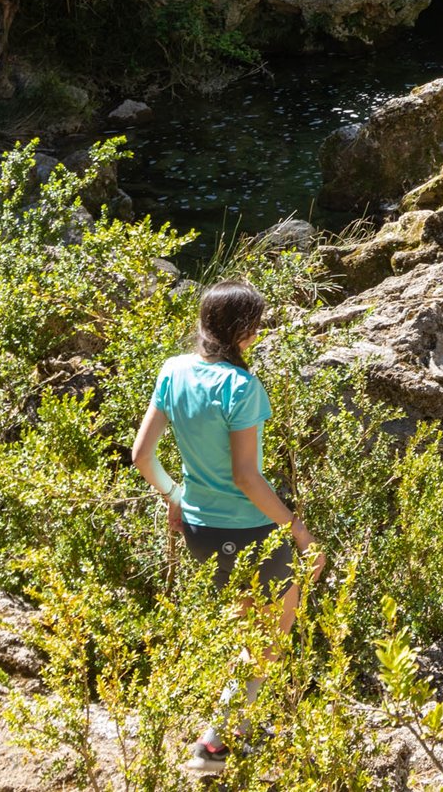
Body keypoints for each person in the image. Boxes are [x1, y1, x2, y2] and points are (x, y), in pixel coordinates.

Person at [132, 280, 312, 776]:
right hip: (249, 528)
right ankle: (215, 743)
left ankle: (238, 728)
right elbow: (246, 477)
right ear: (245, 331)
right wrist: (299, 531)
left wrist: (176, 497)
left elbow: (142, 457)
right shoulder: (241, 387)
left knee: (251, 626)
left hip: (199, 528)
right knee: (271, 633)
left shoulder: (173, 371)